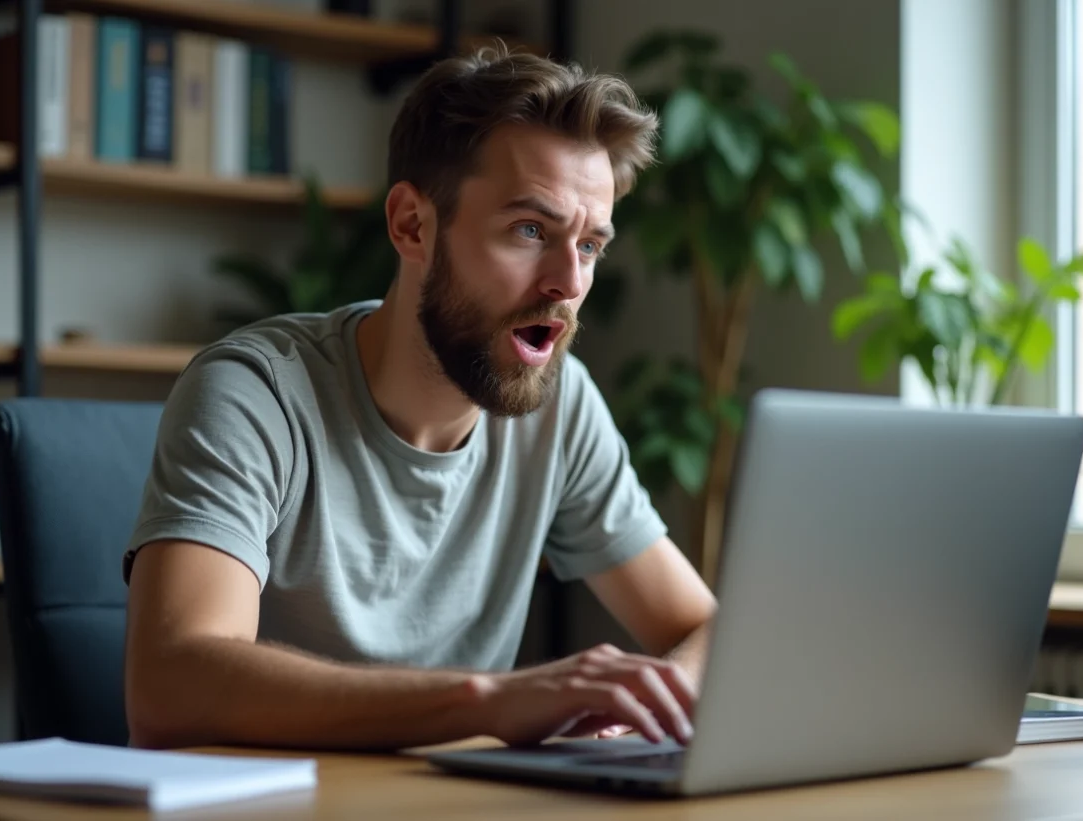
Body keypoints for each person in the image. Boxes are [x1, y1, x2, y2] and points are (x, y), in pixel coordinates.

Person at [122, 42, 717, 753]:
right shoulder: (257, 395)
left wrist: (653, 704)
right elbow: (169, 686)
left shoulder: (561, 407)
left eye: (590, 245)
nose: (568, 282)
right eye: (531, 230)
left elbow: (704, 630)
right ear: (412, 224)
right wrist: (488, 700)